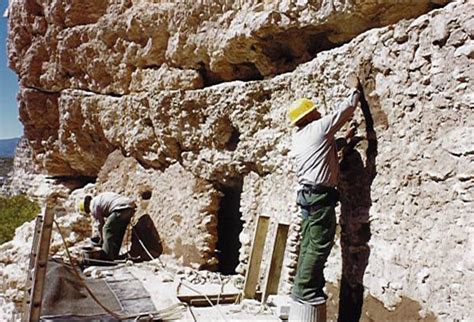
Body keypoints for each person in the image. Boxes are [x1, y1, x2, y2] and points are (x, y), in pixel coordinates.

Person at [288, 77, 362, 312]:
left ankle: (306, 286)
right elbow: (346, 110)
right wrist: (354, 89)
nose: (318, 112)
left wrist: (343, 141)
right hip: (319, 196)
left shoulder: (301, 136)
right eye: (314, 110)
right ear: (308, 116)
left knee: (309, 243)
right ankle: (305, 290)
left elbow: (321, 152)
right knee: (319, 245)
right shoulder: (318, 127)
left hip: (308, 195)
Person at [78, 192, 136, 261]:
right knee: (118, 232)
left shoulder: (92, 205)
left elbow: (100, 224)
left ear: (86, 207)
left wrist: (101, 239)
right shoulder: (99, 198)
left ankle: (107, 256)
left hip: (121, 208)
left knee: (106, 229)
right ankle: (114, 254)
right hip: (129, 207)